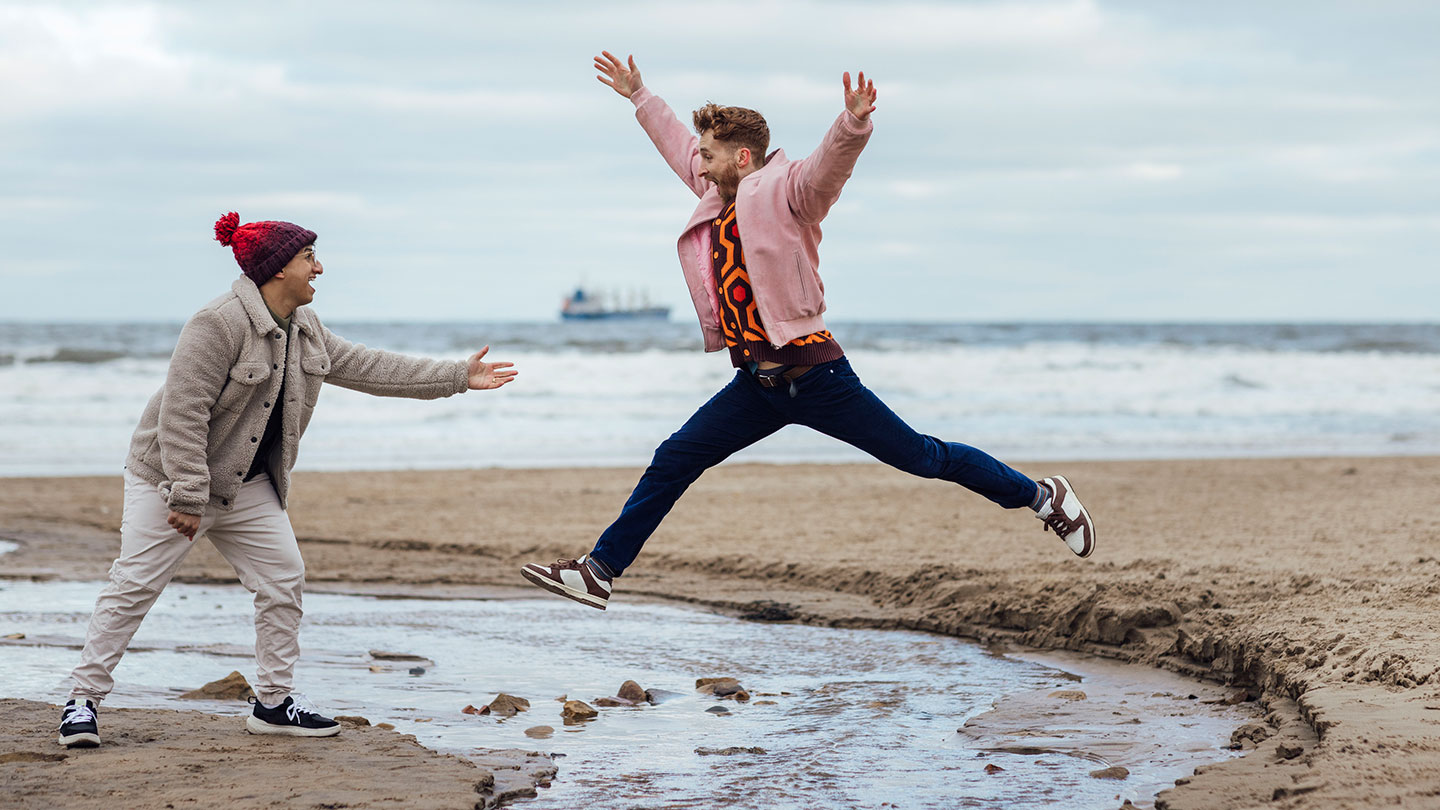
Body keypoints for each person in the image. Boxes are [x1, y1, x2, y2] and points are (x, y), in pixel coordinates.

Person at [521, 53, 1095, 612]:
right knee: (673, 459)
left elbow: (829, 165)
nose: (698, 163)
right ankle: (599, 572)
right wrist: (641, 97)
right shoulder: (712, 194)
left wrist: (854, 122)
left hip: (817, 375)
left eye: (709, 155)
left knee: (922, 457)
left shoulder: (791, 191)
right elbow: (677, 141)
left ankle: (1045, 498)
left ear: (742, 157)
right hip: (757, 386)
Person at [57, 212, 517, 748]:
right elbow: (183, 411)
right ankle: (82, 701)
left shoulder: (306, 328)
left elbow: (370, 367)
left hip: (249, 485)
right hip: (172, 481)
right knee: (134, 586)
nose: (319, 268)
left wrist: (457, 377)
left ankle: (273, 703)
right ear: (278, 270)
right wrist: (186, 492)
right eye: (308, 259)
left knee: (283, 581)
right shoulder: (218, 323)